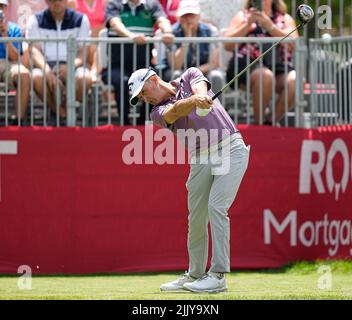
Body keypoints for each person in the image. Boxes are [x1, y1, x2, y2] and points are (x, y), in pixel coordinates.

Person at [128, 66, 250, 292]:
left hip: (230, 148)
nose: (144, 99)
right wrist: (195, 101)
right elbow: (173, 113)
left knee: (216, 207)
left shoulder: (189, 75)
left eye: (143, 93)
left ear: (154, 80)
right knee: (196, 219)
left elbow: (199, 84)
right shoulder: (157, 112)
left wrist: (200, 95)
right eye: (140, 98)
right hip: (200, 159)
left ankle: (218, 275)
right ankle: (195, 274)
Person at [224, 0, 298, 125]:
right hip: (246, 68)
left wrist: (270, 26)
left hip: (279, 67)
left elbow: (294, 43)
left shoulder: (285, 18)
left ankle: (270, 122)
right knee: (265, 76)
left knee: (295, 80)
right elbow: (227, 44)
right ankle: (259, 124)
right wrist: (248, 24)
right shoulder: (243, 16)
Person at [105, 0, 174, 125]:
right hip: (118, 65)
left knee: (154, 81)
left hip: (144, 66)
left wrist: (168, 32)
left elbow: (162, 20)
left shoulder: (152, 4)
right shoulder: (114, 4)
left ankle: (144, 122)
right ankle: (124, 123)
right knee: (122, 81)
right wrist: (131, 36)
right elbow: (115, 24)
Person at [26, 0, 92, 124]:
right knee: (36, 77)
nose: (56, 2)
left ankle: (65, 110)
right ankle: (60, 112)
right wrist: (47, 71)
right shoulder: (35, 20)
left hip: (73, 64)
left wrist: (70, 66)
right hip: (45, 64)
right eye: (52, 0)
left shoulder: (81, 19)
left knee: (86, 78)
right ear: (46, 1)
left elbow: (83, 52)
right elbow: (34, 50)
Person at [162, 0, 223, 94]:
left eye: (192, 15)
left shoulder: (210, 31)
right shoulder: (172, 33)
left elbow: (214, 63)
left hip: (203, 71)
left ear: (198, 17)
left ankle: (214, 108)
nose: (188, 19)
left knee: (216, 76)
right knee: (176, 75)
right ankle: (180, 108)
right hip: (180, 71)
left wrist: (194, 73)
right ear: (179, 18)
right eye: (184, 16)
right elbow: (176, 65)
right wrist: (187, 38)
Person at [0, 0, 30, 125]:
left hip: (8, 64)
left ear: (7, 8)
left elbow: (15, 57)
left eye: (2, 6)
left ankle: (18, 122)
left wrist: (5, 36)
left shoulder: (14, 28)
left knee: (24, 74)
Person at [68, 0, 106, 82]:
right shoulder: (72, 2)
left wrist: (95, 33)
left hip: (98, 39)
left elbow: (106, 24)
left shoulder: (105, 2)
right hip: (80, 40)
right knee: (92, 43)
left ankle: (94, 71)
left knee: (97, 45)